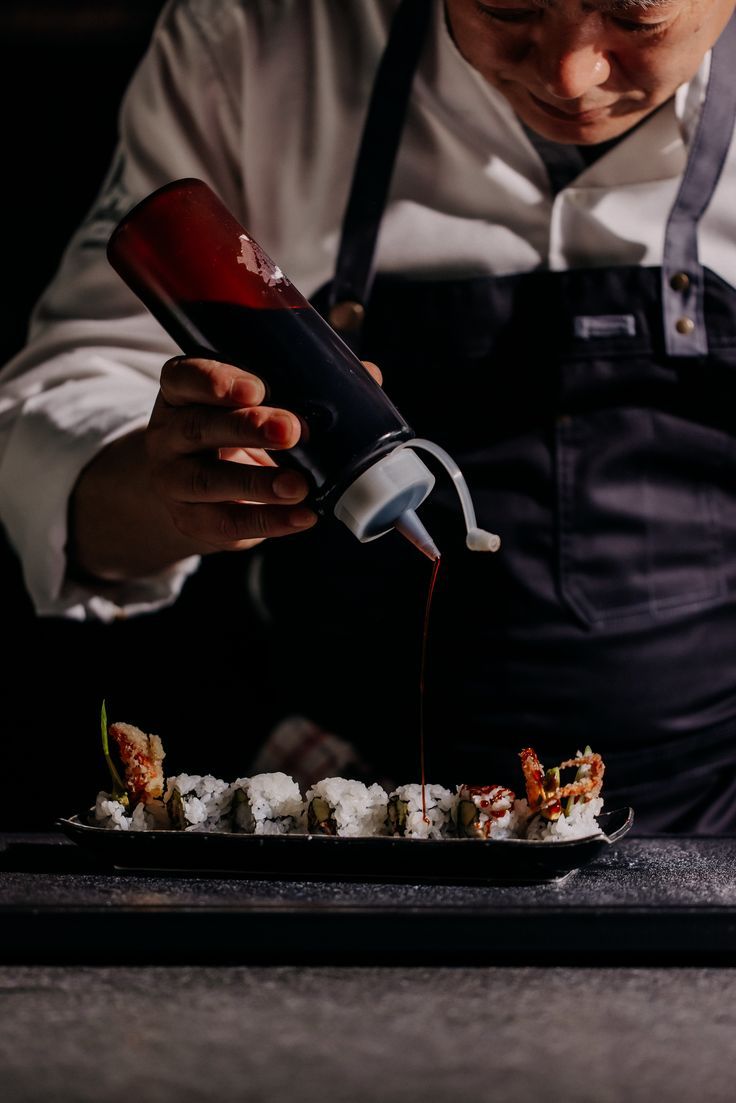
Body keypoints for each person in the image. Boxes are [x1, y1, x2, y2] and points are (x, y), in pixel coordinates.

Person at [1, 0, 736, 832]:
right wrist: (169, 490)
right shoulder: (255, 38)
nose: (570, 74)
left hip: (721, 798)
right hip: (339, 802)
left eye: (638, 19)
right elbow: (56, 416)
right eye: (507, 7)